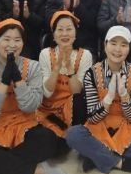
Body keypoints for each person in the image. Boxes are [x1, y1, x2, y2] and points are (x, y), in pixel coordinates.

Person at [0, 19, 67, 174]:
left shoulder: (33, 67)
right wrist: (4, 83)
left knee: (47, 140)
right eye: (6, 39)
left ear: (23, 43)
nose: (12, 45)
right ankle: (36, 170)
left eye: (17, 40)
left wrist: (18, 81)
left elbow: (30, 107)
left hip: (24, 123)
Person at [66, 26, 131, 174]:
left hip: (126, 128)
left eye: (123, 45)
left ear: (129, 48)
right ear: (105, 45)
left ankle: (97, 156)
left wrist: (124, 96)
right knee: (73, 134)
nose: (118, 49)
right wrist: (108, 98)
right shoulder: (92, 73)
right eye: (113, 43)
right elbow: (92, 117)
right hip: (99, 127)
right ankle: (122, 163)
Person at [38, 11, 93, 152]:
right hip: (49, 107)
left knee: (80, 100)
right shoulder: (45, 54)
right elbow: (47, 93)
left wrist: (70, 69)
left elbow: (77, 92)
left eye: (69, 29)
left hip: (71, 106)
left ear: (75, 33)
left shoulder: (85, 55)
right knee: (55, 147)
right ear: (53, 34)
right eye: (60, 30)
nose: (64, 34)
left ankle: (74, 136)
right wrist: (56, 68)